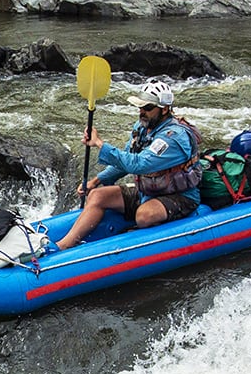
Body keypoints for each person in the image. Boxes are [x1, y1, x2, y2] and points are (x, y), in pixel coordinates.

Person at [55, 80, 203, 251]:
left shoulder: (173, 138)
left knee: (144, 216)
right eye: (140, 107)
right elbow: (125, 160)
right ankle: (65, 245)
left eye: (147, 108)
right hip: (148, 191)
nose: (141, 112)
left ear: (164, 109)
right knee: (97, 195)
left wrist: (100, 144)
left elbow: (138, 164)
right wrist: (96, 181)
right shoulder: (142, 128)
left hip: (180, 196)